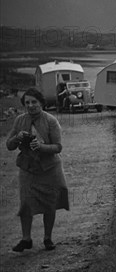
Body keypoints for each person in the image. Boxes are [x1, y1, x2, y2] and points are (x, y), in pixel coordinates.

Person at [6, 88, 69, 252]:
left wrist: (41, 147)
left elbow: (58, 147)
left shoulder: (51, 120)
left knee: (50, 203)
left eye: (34, 102)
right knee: (26, 203)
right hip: (28, 168)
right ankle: (26, 239)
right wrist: (16, 137)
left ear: (41, 102)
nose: (31, 105)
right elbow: (9, 145)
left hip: (50, 168)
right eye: (27, 102)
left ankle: (48, 238)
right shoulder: (19, 120)